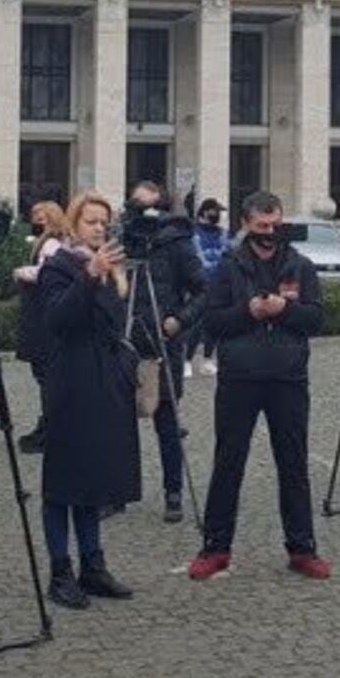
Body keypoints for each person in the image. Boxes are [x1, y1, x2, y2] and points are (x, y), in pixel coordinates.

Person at [190, 191, 333, 581]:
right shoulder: (227, 267)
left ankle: (302, 548)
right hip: (239, 377)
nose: (268, 234)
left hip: (288, 377)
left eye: (274, 226)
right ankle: (215, 547)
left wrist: (285, 309)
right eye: (260, 227)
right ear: (245, 224)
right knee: (228, 462)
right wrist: (247, 311)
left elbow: (316, 319)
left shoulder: (300, 266)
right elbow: (213, 322)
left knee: (294, 463)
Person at [35, 193, 140, 607]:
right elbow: (58, 319)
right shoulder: (60, 266)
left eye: (104, 222)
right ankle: (60, 571)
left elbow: (114, 322)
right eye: (91, 221)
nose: (99, 228)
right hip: (70, 382)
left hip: (106, 381)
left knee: (94, 478)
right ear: (75, 225)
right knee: (64, 480)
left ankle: (93, 566)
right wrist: (88, 277)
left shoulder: (112, 269)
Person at [122, 180, 208, 523]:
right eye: (135, 207)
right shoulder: (122, 240)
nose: (140, 215)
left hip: (162, 345)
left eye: (147, 208)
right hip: (124, 344)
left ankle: (174, 491)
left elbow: (204, 291)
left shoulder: (177, 244)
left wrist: (178, 321)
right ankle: (119, 491)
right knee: (119, 423)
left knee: (167, 423)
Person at [14, 201, 69, 455]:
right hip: (40, 313)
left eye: (41, 216)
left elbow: (46, 272)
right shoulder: (49, 241)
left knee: (46, 376)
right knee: (44, 377)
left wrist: (23, 272)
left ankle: (50, 426)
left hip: (41, 316)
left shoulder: (51, 244)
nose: (36, 220)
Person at [187, 198, 230, 378]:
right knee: (195, 325)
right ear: (205, 212)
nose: (217, 216)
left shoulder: (222, 233)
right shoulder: (194, 232)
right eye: (214, 211)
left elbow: (228, 251)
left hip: (218, 283)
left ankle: (207, 360)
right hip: (199, 283)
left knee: (213, 324)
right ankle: (186, 360)